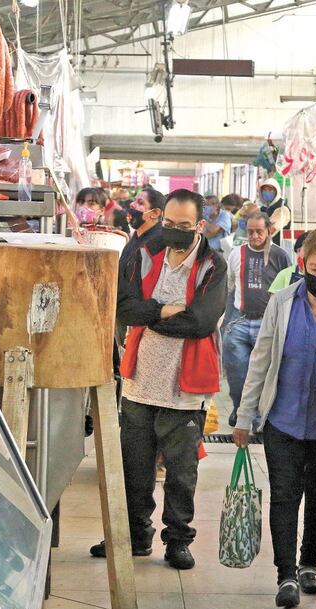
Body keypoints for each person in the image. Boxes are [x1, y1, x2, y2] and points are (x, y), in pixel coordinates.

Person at [90, 189, 228, 569]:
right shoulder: (143, 253)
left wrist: (148, 315)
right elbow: (123, 307)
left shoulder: (213, 266)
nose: (174, 231)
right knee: (135, 468)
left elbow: (200, 322)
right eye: (168, 224)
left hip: (186, 389)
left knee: (181, 474)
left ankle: (178, 540)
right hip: (139, 382)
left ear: (199, 225)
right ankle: (134, 537)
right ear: (160, 218)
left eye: (183, 226)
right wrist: (166, 310)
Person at [232, 229, 316, 609]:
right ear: (302, 265)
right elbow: (261, 359)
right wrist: (245, 416)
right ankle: (286, 574)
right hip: (283, 419)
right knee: (285, 495)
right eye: (315, 267)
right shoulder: (281, 303)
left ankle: (310, 562)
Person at [224, 212, 290, 428]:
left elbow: (287, 288)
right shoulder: (236, 254)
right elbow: (230, 286)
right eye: (250, 231)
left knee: (263, 374)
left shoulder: (279, 256)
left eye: (259, 231)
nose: (254, 236)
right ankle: (239, 407)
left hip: (267, 324)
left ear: (269, 230)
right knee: (237, 373)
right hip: (240, 321)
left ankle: (259, 418)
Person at [258, 178, 291, 245]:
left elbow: (272, 229)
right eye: (264, 190)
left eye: (270, 190)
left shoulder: (283, 209)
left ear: (276, 192)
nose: (267, 192)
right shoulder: (263, 209)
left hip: (278, 247)